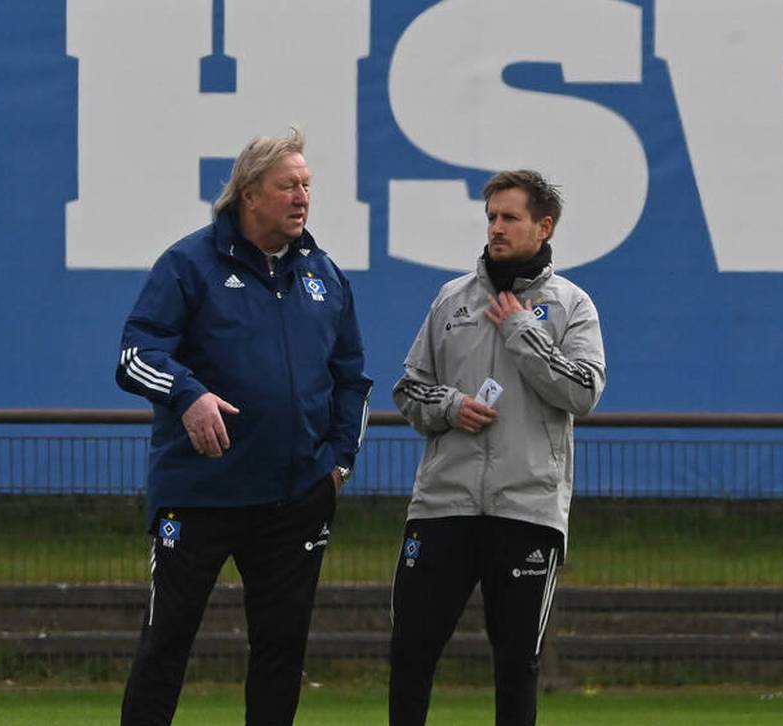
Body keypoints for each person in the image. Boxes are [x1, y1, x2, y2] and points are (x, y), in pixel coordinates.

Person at [114, 127, 372, 726]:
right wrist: (188, 395)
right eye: (288, 186)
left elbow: (352, 379)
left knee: (281, 652)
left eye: (307, 184)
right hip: (201, 494)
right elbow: (134, 355)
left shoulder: (325, 275)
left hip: (294, 501)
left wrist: (336, 466)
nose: (302, 196)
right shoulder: (189, 264)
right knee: (166, 644)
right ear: (250, 194)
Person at [389, 170, 606, 725]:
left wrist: (520, 332)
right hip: (444, 505)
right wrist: (449, 407)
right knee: (410, 652)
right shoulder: (452, 299)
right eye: (491, 217)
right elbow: (409, 389)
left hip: (525, 510)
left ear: (544, 226)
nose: (496, 229)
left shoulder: (571, 305)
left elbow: (582, 392)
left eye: (510, 218)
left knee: (516, 663)